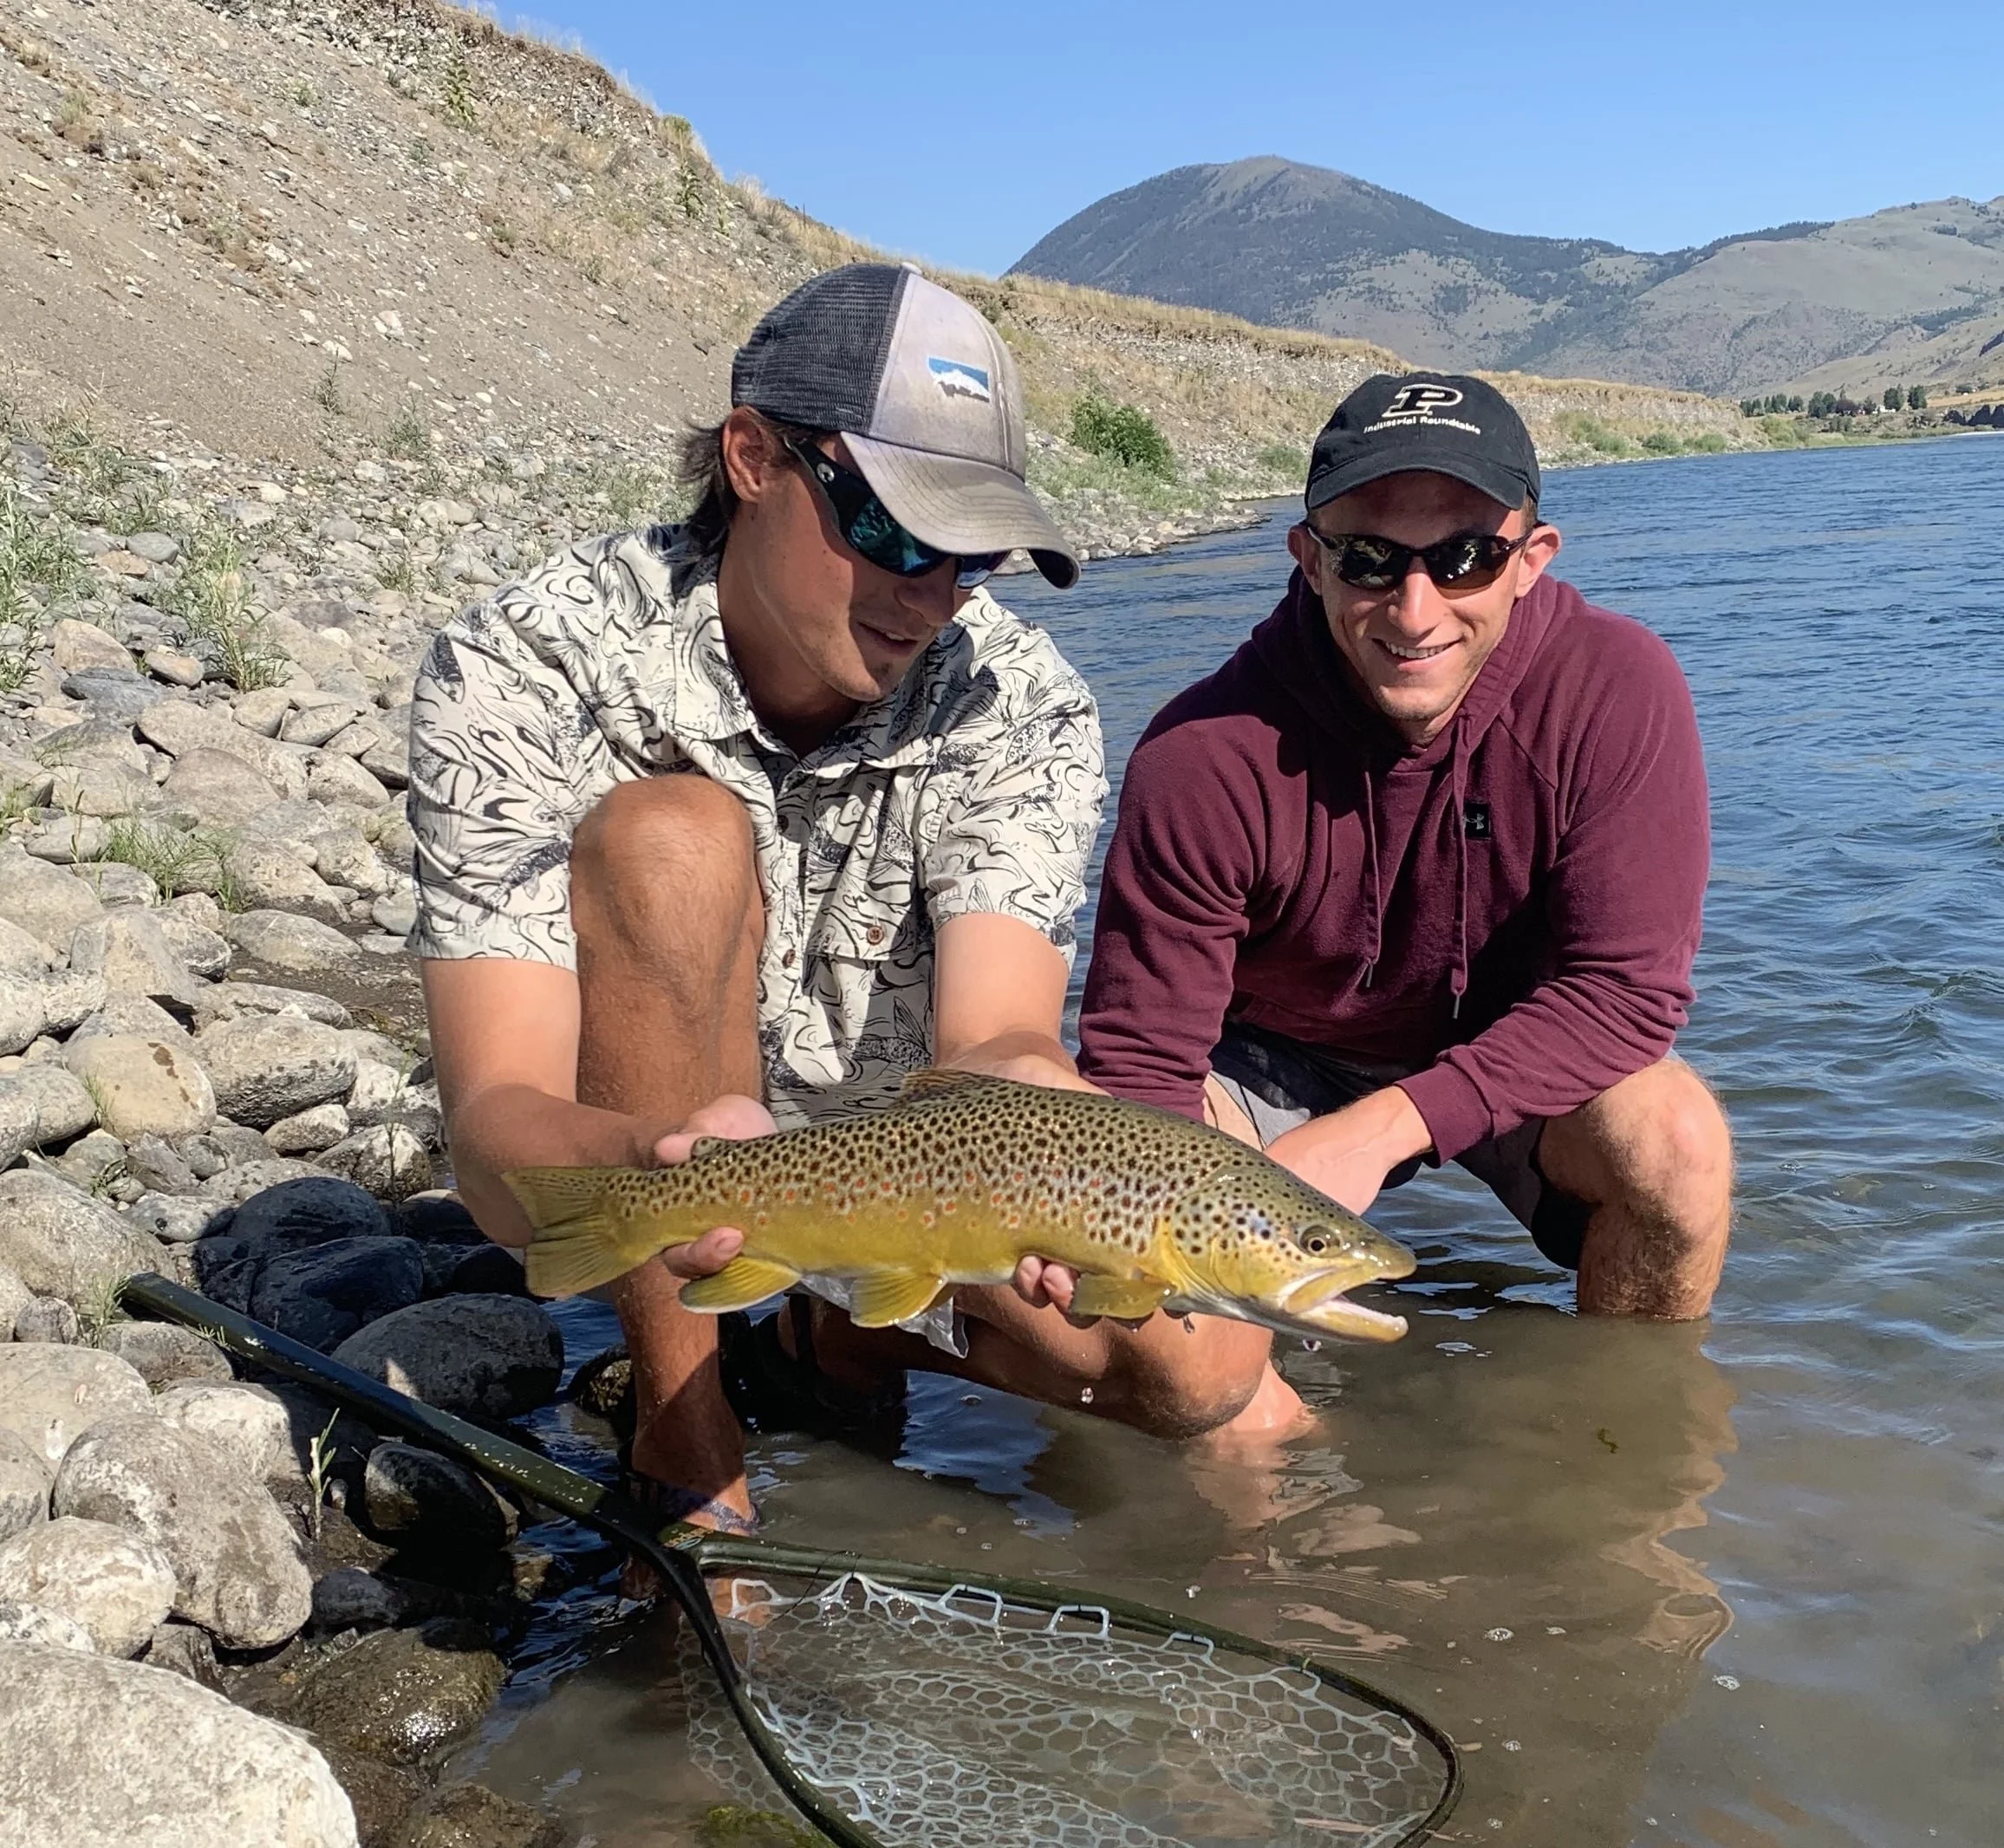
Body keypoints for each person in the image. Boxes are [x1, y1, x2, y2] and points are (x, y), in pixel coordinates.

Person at [410, 264, 1285, 1545]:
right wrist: (655, 1164)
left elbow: (996, 1043)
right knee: (671, 837)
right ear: (753, 458)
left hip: (916, 1181)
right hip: (661, 1164)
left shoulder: (1019, 704)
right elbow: (495, 1143)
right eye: (890, 530)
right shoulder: (524, 669)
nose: (927, 597)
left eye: (972, 553)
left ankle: (834, 1334)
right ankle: (686, 1445)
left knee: (1208, 1377)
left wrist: (1063, 1124)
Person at [1077, 373, 1733, 1377]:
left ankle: (1615, 1454)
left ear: (1530, 557)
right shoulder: (1199, 754)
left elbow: (1624, 996)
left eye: (1464, 557)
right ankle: (1242, 1499)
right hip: (1264, 1063)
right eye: (1370, 559)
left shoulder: (1617, 689)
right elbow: (1141, 1079)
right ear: (1309, 560)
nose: (1414, 609)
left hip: (1514, 1045)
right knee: (1164, 1320)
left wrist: (1382, 1129)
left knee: (1677, 1147)